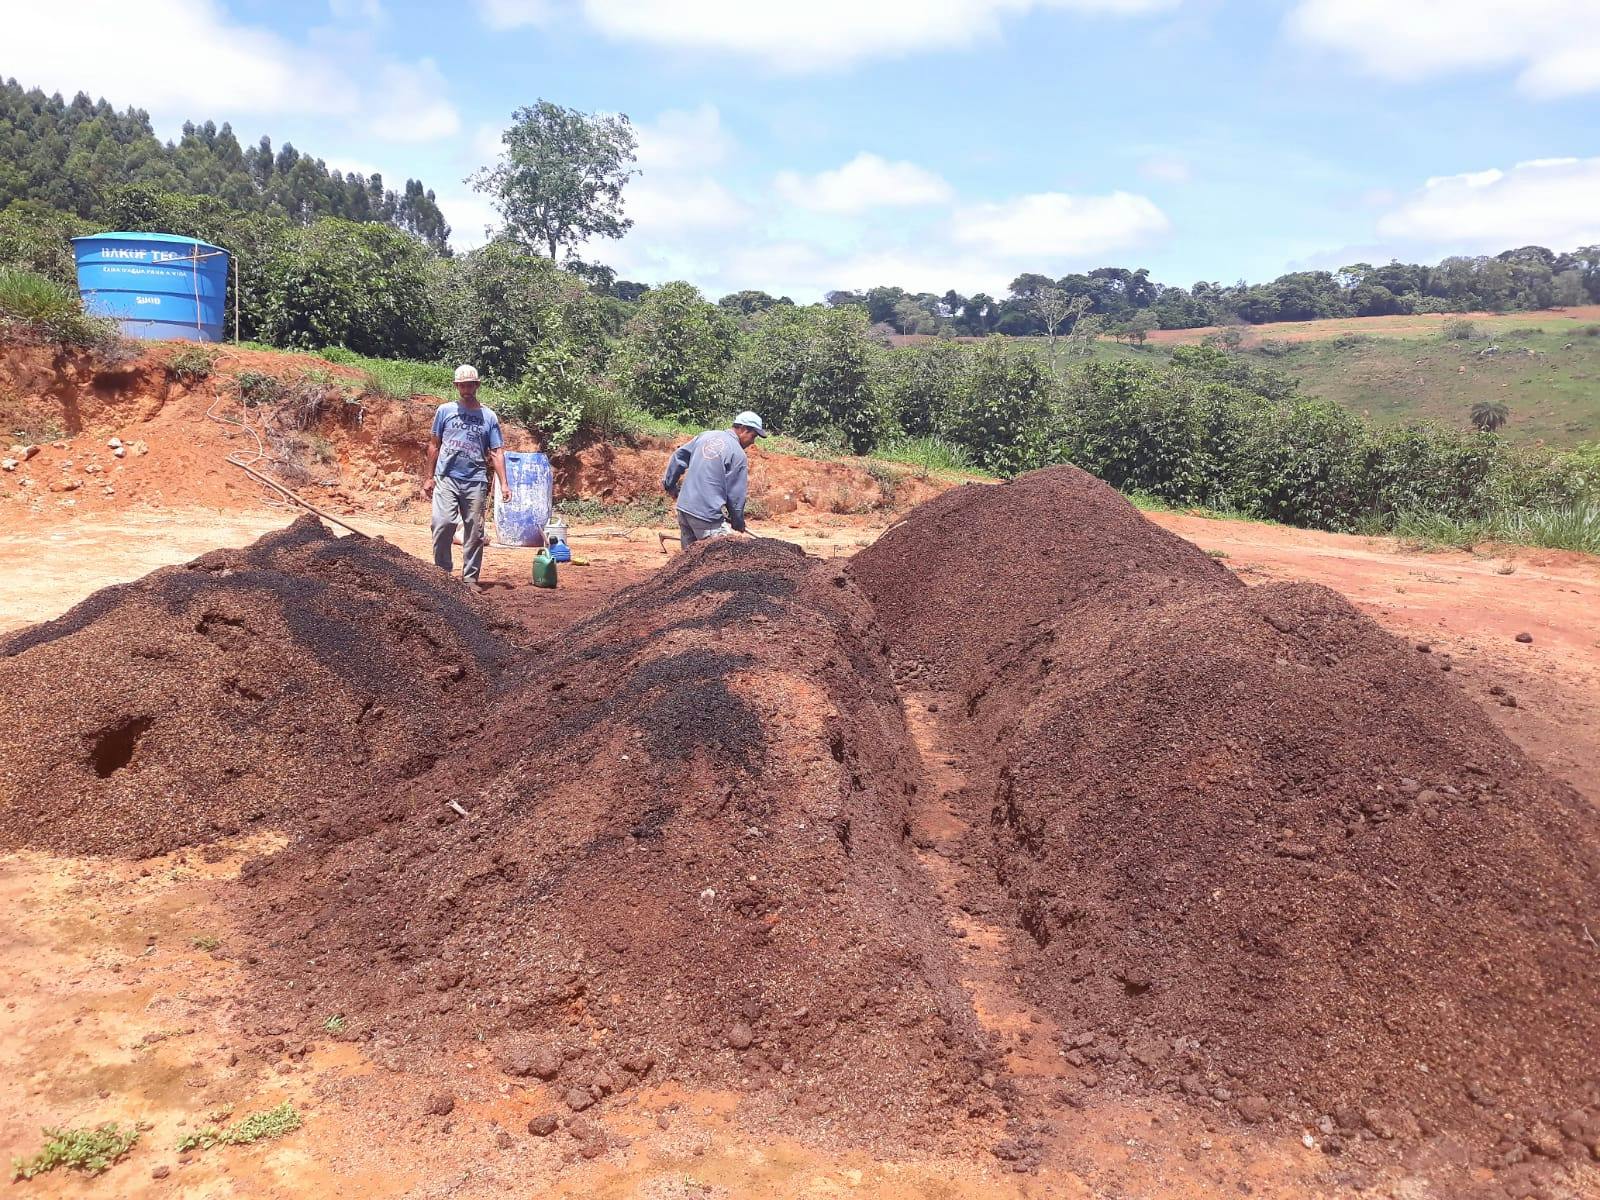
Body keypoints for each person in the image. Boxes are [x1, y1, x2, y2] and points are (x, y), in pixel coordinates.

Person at [423, 365, 508, 588]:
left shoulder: (488, 416)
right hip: (446, 476)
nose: (466, 388)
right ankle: (442, 574)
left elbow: (497, 452)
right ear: (456, 386)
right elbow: (434, 445)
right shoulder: (445, 411)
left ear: (477, 385)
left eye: (470, 384)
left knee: (475, 531)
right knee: (442, 523)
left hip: (476, 479)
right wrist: (429, 477)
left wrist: (504, 484)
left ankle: (470, 579)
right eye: (462, 385)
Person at [661, 411, 768, 549]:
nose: (753, 441)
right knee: (724, 559)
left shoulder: (705, 436)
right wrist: (738, 521)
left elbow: (678, 457)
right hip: (707, 516)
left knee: (689, 561)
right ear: (742, 429)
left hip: (684, 509)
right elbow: (735, 496)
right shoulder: (738, 454)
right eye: (753, 436)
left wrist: (669, 485)